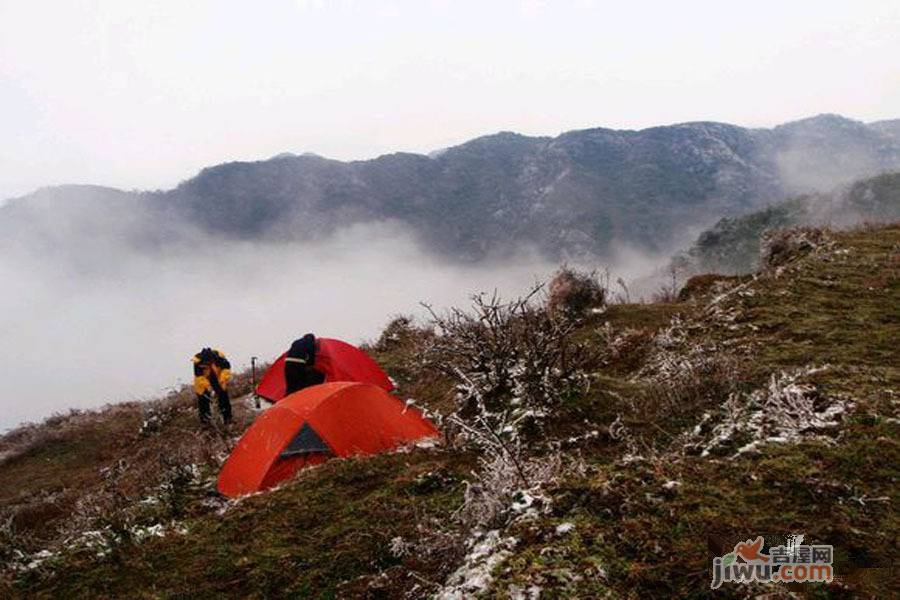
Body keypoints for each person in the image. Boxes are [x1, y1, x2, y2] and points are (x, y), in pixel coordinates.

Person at [192, 347, 232, 424]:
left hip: (217, 377)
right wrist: (208, 387)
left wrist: (222, 379)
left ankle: (227, 418)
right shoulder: (197, 362)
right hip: (202, 382)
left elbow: (226, 369)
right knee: (203, 400)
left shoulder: (219, 358)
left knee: (223, 396)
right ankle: (206, 423)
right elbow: (200, 377)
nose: (208, 364)